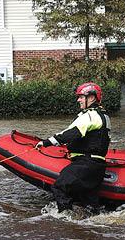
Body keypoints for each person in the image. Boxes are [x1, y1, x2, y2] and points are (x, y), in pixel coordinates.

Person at [35, 82, 111, 212]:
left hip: (85, 165)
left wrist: (46, 142)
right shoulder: (103, 116)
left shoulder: (89, 116)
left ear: (91, 98)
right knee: (89, 204)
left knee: (59, 187)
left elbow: (70, 135)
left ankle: (65, 220)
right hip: (97, 167)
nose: (78, 100)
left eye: (81, 97)